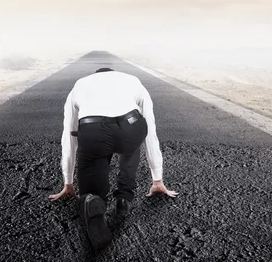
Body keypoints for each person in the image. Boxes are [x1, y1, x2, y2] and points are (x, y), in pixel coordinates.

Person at [49, 67, 179, 251]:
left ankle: (95, 201)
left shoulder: (79, 85)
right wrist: (157, 178)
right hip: (131, 126)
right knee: (132, 146)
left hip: (93, 129)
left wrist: (68, 182)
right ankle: (124, 197)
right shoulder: (132, 79)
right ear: (114, 73)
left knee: (93, 169)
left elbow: (69, 135)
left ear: (95, 75)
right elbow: (150, 130)